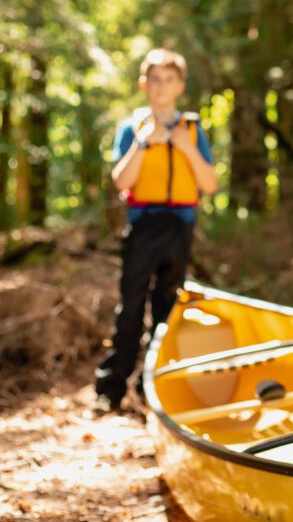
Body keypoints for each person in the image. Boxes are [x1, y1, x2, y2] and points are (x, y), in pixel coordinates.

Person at [94, 48, 217, 412]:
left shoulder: (192, 130)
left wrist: (183, 146)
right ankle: (110, 389)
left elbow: (209, 183)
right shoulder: (132, 129)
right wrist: (145, 143)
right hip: (143, 224)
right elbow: (121, 180)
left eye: (169, 79)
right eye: (155, 80)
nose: (162, 87)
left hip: (180, 226)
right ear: (144, 85)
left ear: (180, 85)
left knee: (167, 308)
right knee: (130, 306)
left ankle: (155, 390)